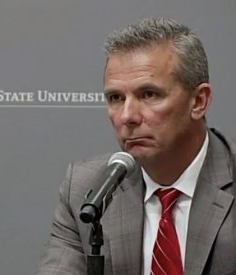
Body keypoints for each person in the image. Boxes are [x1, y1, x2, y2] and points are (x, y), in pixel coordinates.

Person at [38, 18, 236, 275]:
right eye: (116, 98)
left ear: (198, 101)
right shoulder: (87, 191)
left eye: (149, 94)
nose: (127, 116)